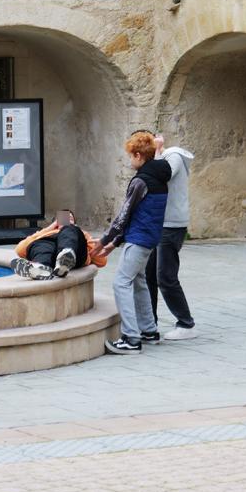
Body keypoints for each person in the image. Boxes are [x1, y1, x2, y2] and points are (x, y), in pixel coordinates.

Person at [96, 131, 172, 355]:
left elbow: (124, 215)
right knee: (139, 281)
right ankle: (149, 330)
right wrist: (115, 242)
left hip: (139, 239)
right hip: (149, 237)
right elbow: (137, 214)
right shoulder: (160, 176)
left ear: (139, 156)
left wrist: (104, 241)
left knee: (121, 283)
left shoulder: (140, 181)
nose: (129, 160)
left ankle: (131, 338)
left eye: (131, 156)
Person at [146, 134, 197, 340]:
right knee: (149, 274)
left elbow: (163, 175)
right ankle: (148, 323)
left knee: (165, 277)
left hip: (171, 226)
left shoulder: (172, 156)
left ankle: (186, 324)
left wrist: (157, 152)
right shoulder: (161, 158)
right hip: (159, 225)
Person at [12, 210, 107, 280]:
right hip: (50, 251)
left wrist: (88, 241)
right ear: (55, 223)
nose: (67, 219)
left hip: (76, 254)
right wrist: (48, 229)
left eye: (70, 218)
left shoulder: (79, 233)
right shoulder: (46, 233)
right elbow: (19, 250)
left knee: (68, 231)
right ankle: (41, 267)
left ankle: (66, 258)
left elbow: (102, 261)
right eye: (64, 218)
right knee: (41, 244)